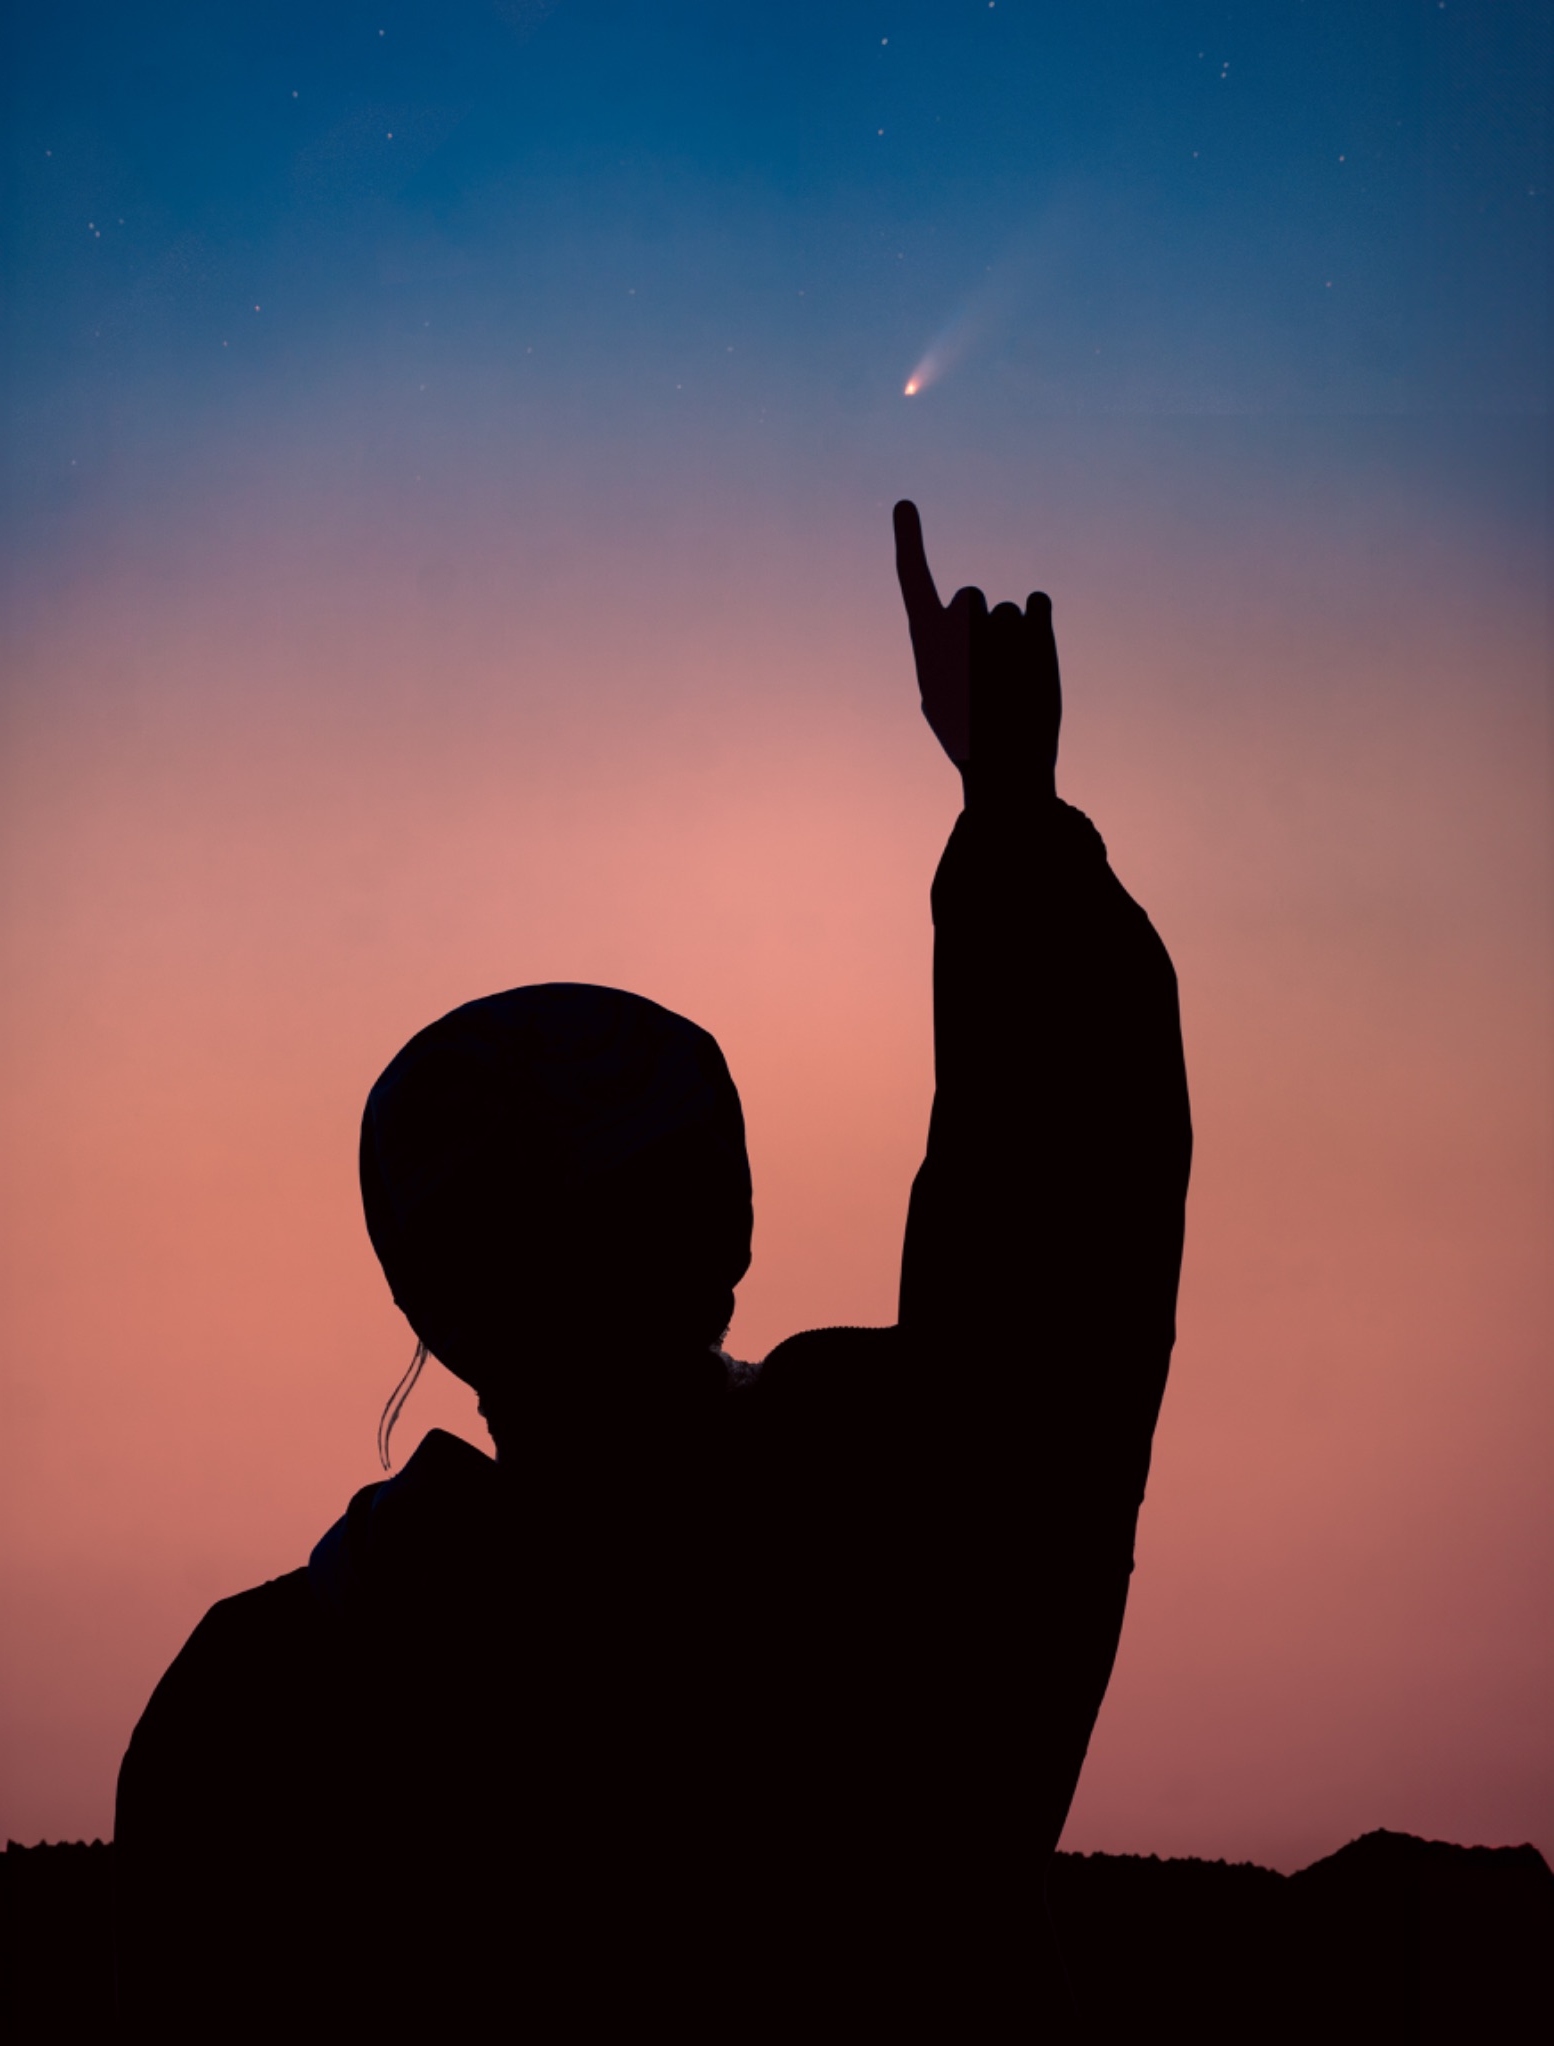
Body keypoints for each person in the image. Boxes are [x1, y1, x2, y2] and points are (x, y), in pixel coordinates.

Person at [113, 501, 1191, 2039]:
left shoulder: (254, 1715)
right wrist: (1010, 813)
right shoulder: (897, 1555)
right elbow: (1060, 1278)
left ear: (428, 1296)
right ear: (727, 1236)